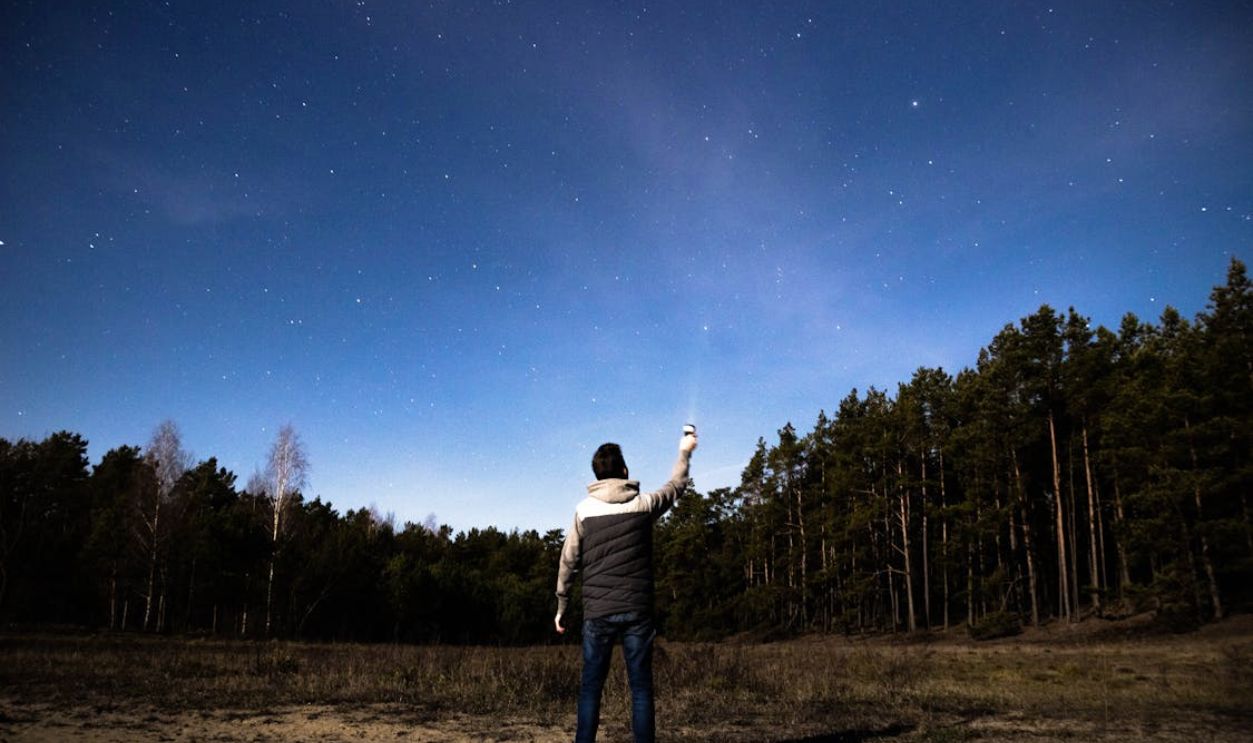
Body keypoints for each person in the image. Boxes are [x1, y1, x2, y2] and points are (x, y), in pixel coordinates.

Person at [554, 429, 698, 743]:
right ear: (624, 471)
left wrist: (562, 606)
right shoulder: (644, 504)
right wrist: (685, 451)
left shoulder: (584, 510)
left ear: (597, 475)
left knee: (591, 688)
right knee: (641, 689)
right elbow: (677, 486)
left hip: (598, 613)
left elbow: (568, 562)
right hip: (637, 610)